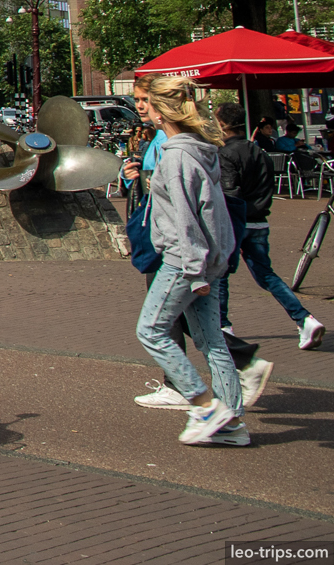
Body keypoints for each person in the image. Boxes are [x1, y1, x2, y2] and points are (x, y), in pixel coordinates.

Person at [131, 73, 250, 446]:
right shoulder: (200, 149)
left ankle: (205, 406)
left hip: (185, 261)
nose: (143, 108)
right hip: (208, 259)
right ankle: (232, 423)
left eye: (147, 102)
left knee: (150, 331)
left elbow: (186, 220)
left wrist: (196, 272)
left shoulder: (176, 157)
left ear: (162, 112)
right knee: (211, 340)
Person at [217, 103, 325, 350]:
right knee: (266, 275)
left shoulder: (226, 154)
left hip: (236, 221)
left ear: (222, 125)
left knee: (221, 274)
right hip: (259, 221)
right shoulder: (260, 152)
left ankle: (223, 327)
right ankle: (304, 319)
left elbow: (229, 192)